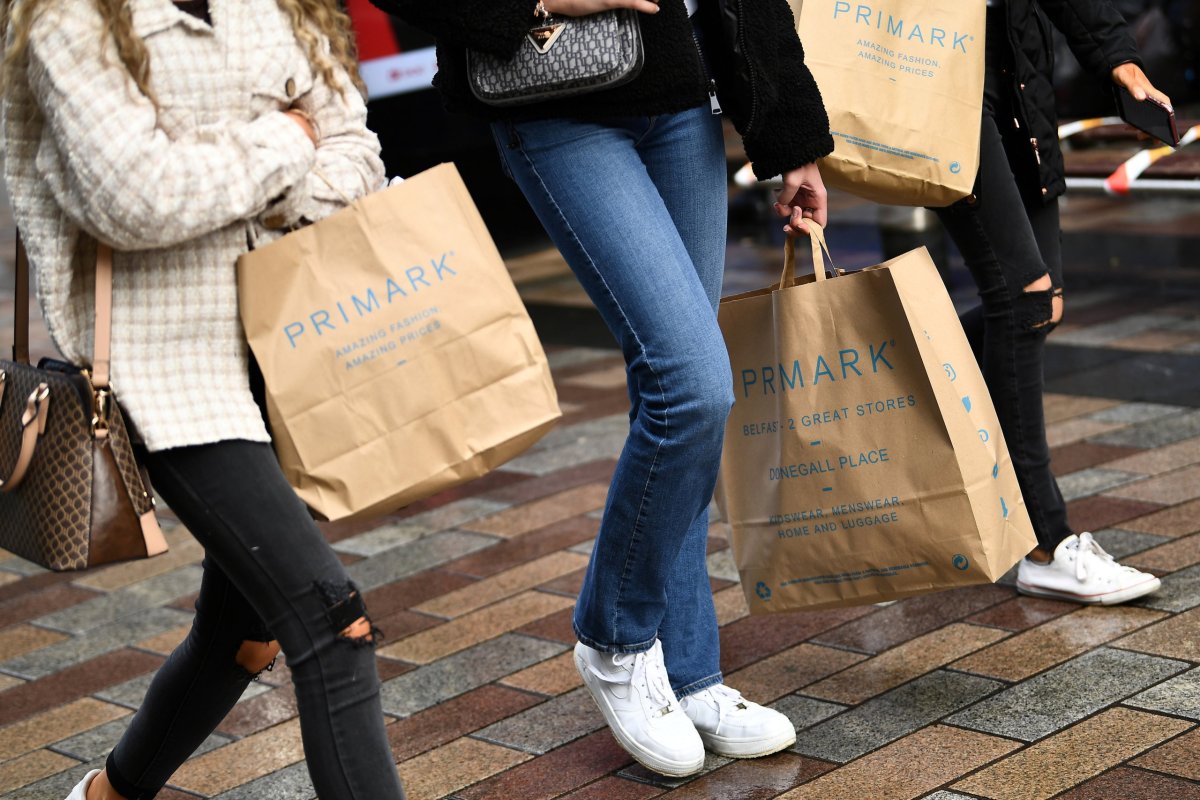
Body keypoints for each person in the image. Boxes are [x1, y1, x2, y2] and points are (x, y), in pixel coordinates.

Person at [371, 0, 832, 778]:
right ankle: (617, 638)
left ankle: (689, 674)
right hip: (554, 99)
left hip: (681, 102)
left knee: (675, 392)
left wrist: (791, 137)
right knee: (693, 387)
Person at [1, 1, 405, 798]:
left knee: (243, 635)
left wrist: (245, 175)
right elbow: (135, 197)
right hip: (165, 368)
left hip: (289, 343)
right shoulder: (65, 14)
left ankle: (107, 797)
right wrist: (289, 138)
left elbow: (357, 150)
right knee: (334, 627)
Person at [933, 0, 1167, 605]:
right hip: (934, 77)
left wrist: (1117, 57)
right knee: (1023, 298)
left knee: (1043, 307)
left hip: (1017, 75)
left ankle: (894, 401)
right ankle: (1044, 542)